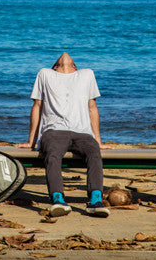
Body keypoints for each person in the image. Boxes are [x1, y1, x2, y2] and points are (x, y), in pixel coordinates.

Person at [18, 52, 110, 218]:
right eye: (59, 61)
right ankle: (58, 199)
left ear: (75, 67)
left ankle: (95, 201)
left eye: (71, 61)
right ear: (55, 67)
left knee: (94, 153)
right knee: (52, 155)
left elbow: (92, 107)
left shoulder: (86, 74)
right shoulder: (45, 74)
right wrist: (31, 141)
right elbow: (37, 106)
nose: (64, 54)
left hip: (82, 132)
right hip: (53, 131)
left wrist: (98, 140)